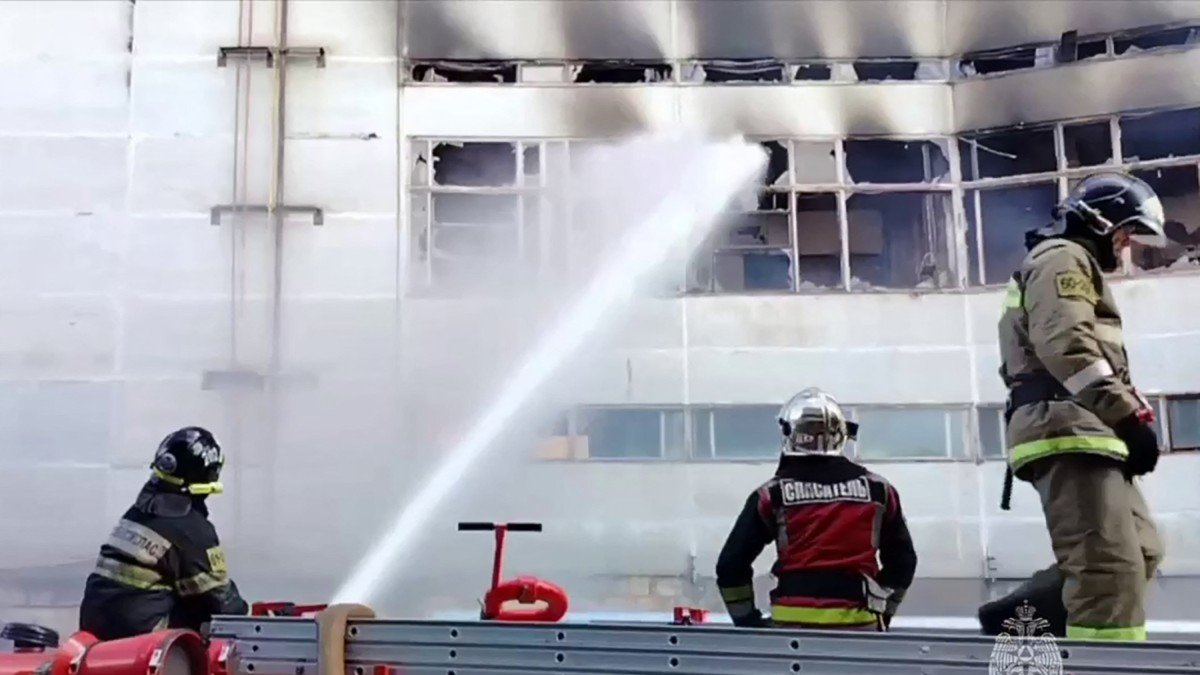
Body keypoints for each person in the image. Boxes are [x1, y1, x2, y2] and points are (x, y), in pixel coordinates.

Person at [990, 171, 1169, 642]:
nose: (1128, 244)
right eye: (1126, 231)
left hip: (1087, 424)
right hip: (1065, 425)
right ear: (1101, 221)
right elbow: (1067, 344)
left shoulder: (1071, 262)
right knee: (1106, 568)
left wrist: (1123, 415)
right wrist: (1125, 416)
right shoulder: (1061, 259)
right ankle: (1106, 667)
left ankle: (1018, 619)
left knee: (1142, 550)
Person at [715, 388, 917, 630]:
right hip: (860, 627)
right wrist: (883, 611)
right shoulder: (879, 491)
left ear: (789, 434)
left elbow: (730, 565)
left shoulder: (772, 495)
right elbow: (903, 563)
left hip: (790, 630)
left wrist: (746, 621)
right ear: (842, 435)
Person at [79, 427, 249, 640]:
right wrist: (251, 616)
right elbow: (222, 604)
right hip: (142, 639)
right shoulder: (192, 531)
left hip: (95, 630)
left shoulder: (137, 513)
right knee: (204, 615)